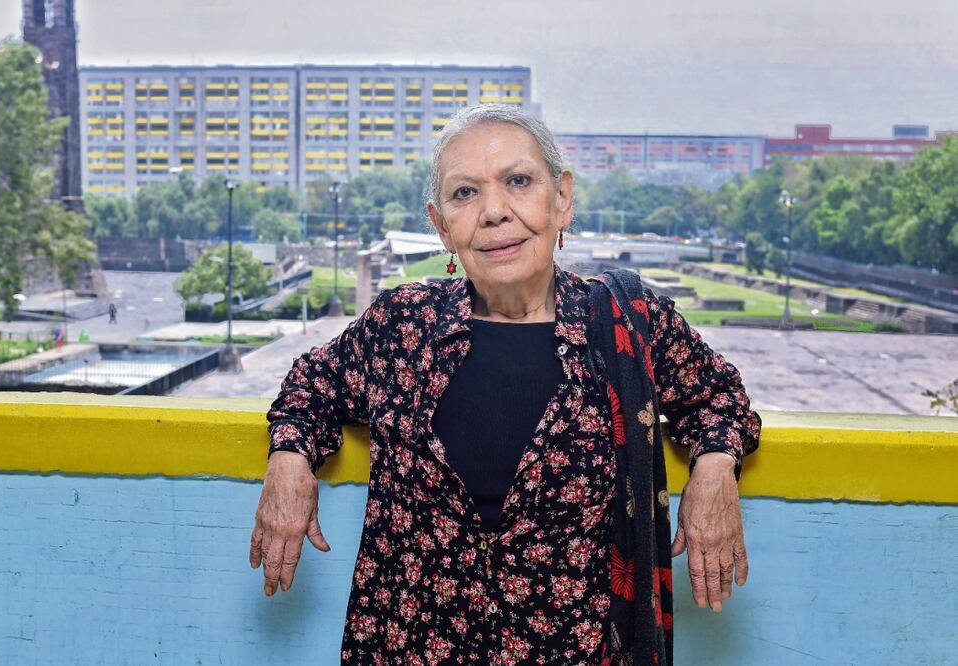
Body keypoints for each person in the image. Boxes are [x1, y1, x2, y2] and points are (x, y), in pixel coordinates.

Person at [251, 104, 761, 664]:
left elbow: (719, 397)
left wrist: (714, 468)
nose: (494, 212)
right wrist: (289, 462)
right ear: (441, 224)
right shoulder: (402, 326)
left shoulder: (627, 324)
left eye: (518, 182)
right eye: (464, 193)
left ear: (561, 197)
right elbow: (311, 386)